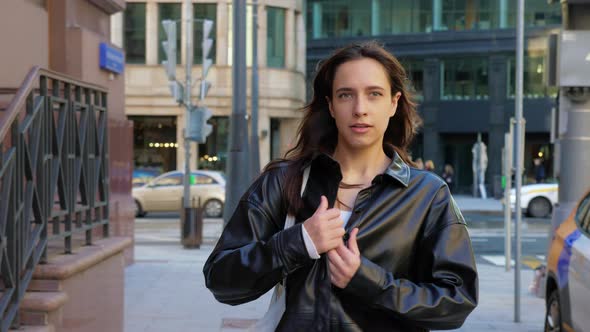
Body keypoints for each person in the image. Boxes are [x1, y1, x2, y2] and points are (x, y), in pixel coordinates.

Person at [203, 41, 478, 331]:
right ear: (331, 105)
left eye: (374, 94)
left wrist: (367, 280)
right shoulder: (284, 182)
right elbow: (221, 280)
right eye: (346, 95)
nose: (360, 109)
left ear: (393, 103)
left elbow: (456, 301)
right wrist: (298, 242)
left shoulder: (426, 195)